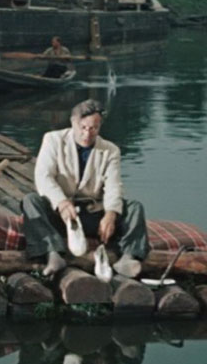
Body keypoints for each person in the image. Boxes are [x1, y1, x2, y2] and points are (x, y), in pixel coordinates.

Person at [21, 98, 150, 278]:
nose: (87, 134)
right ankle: (53, 253)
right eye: (83, 127)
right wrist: (62, 203)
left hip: (92, 214)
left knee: (135, 207)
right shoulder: (53, 140)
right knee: (31, 201)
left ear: (99, 127)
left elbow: (114, 185)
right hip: (62, 215)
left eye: (93, 128)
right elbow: (43, 177)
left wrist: (110, 214)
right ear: (73, 122)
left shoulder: (110, 150)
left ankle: (129, 257)